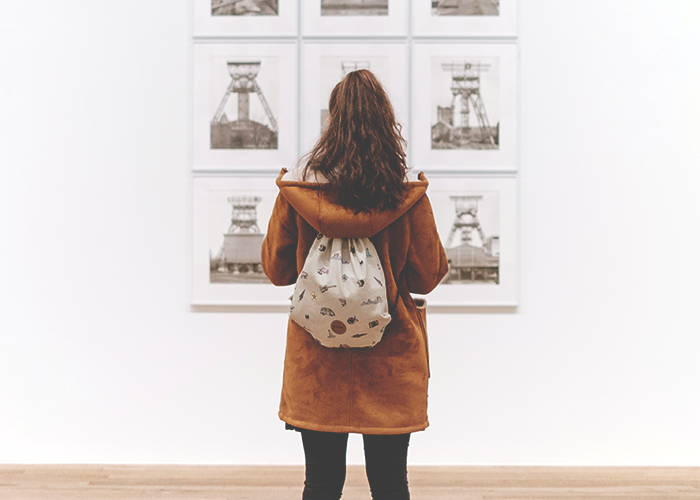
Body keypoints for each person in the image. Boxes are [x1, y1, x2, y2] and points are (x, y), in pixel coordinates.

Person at [261, 69, 448, 500]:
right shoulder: (407, 193)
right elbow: (427, 276)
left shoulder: (297, 189)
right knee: (389, 485)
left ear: (331, 122)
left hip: (317, 360)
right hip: (390, 359)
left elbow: (276, 270)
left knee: (322, 484)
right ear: (386, 123)